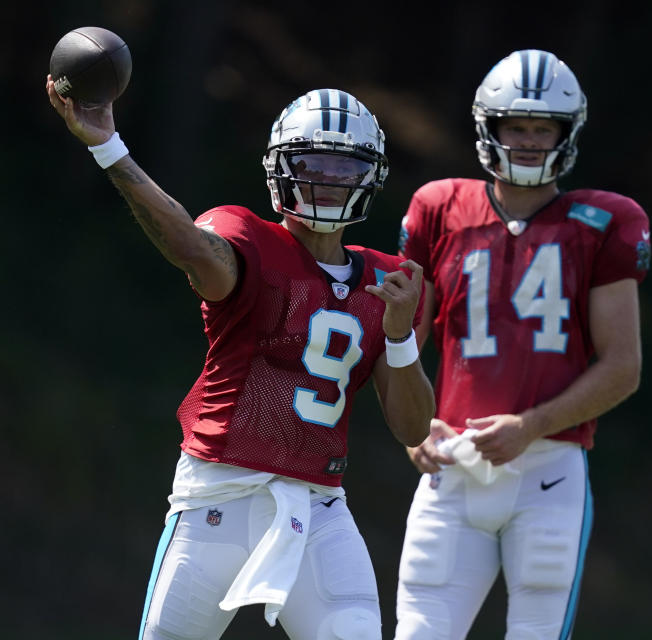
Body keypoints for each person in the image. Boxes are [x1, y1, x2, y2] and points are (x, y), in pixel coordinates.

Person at [45, 80, 434, 640]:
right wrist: (110, 149)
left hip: (320, 507)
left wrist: (400, 339)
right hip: (216, 496)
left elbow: (413, 426)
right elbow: (188, 245)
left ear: (369, 178)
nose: (326, 179)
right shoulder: (247, 239)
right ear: (281, 169)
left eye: (342, 168)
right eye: (312, 164)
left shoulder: (388, 281)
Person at [393, 49, 650, 639]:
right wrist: (411, 425)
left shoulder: (604, 221)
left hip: (549, 473)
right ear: (491, 128)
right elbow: (400, 337)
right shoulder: (440, 208)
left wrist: (531, 425)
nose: (530, 141)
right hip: (452, 463)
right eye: (517, 126)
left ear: (567, 133)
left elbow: (623, 366)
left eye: (544, 129)